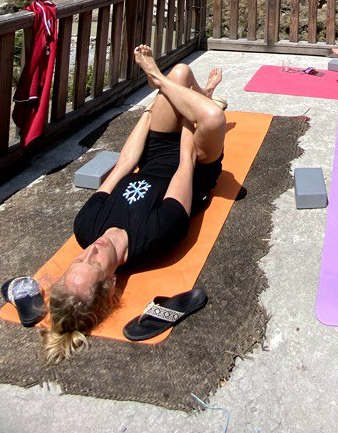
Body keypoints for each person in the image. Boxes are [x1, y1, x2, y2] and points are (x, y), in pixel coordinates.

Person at [40, 46, 226, 364]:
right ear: (111, 281)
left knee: (179, 74)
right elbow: (186, 164)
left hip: (154, 158)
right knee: (212, 118)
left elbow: (125, 164)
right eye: (94, 263)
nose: (91, 250)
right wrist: (189, 118)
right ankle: (199, 97)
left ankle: (190, 90)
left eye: (79, 259)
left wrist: (150, 112)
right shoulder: (155, 238)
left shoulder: (85, 227)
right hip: (194, 166)